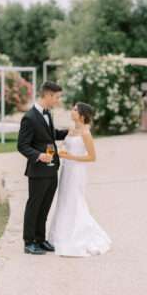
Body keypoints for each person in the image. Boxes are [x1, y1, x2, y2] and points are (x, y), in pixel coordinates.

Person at [49, 102, 111, 257]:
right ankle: (60, 236)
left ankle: (79, 236)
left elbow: (92, 157)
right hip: (66, 170)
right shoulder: (71, 131)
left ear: (82, 115)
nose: (72, 111)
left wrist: (70, 156)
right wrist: (61, 151)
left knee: (75, 200)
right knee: (64, 200)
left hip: (77, 171)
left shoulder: (85, 133)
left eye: (75, 109)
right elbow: (64, 146)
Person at [17, 81, 69, 255]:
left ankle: (40, 239)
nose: (58, 100)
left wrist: (70, 132)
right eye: (56, 97)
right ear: (47, 95)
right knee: (34, 206)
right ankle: (29, 242)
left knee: (45, 206)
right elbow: (22, 145)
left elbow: (50, 135)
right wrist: (39, 156)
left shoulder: (48, 114)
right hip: (38, 170)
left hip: (52, 169)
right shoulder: (29, 117)